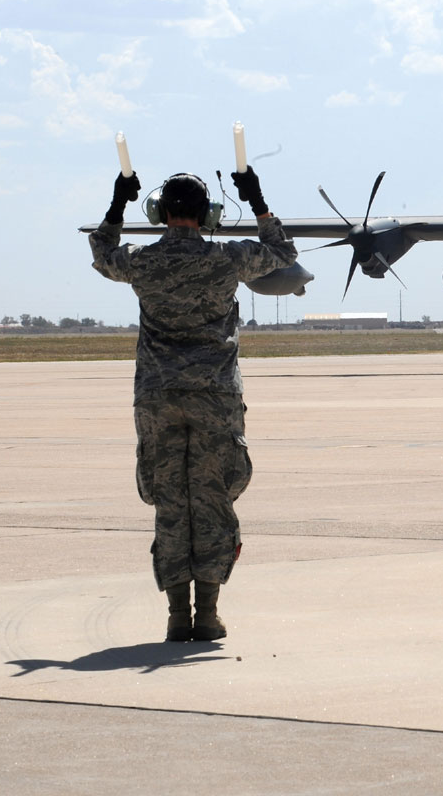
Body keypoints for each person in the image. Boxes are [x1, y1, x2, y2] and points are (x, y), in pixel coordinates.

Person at [89, 166, 297, 642]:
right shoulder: (227, 258)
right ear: (208, 216)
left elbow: (101, 254)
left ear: (160, 213)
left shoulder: (141, 261)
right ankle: (207, 614)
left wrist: (118, 202)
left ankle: (176, 616)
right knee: (211, 497)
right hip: (213, 396)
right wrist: (259, 201)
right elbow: (283, 252)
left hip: (158, 397)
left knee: (169, 499)